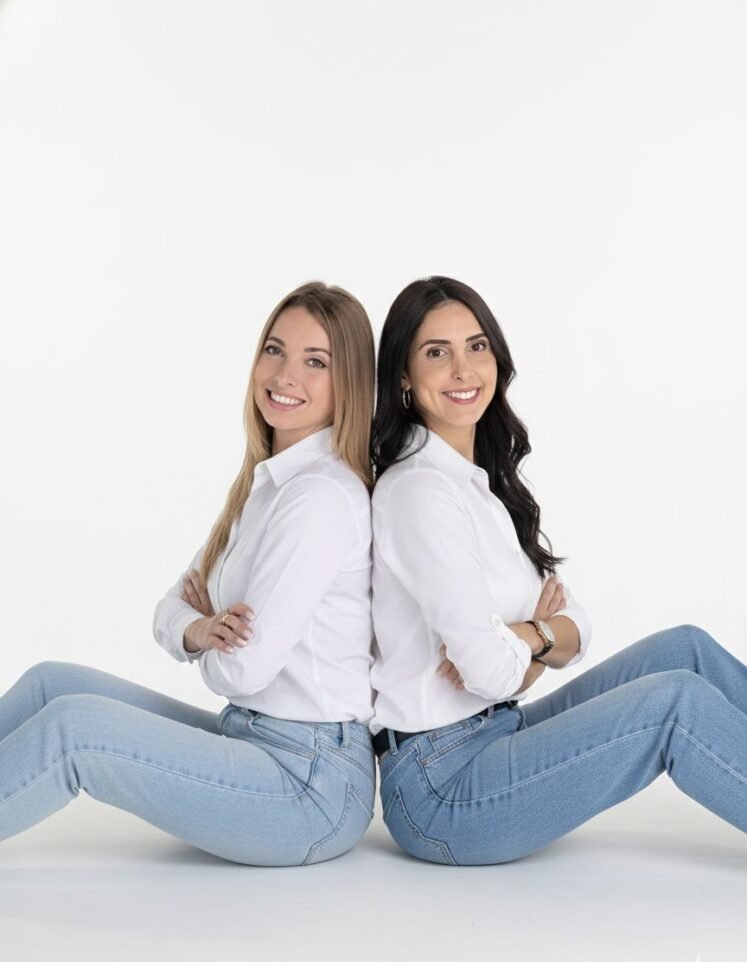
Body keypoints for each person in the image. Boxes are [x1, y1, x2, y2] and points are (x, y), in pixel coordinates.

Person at [370, 274, 747, 865]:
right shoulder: (419, 492)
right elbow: (492, 671)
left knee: (685, 650)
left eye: (476, 346)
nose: (464, 370)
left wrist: (524, 638)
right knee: (675, 703)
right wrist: (535, 641)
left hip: (497, 733)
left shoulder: (475, 486)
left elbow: (574, 624)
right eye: (437, 353)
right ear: (403, 377)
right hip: (442, 789)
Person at [1, 281, 377, 866]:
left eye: (315, 362)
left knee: (74, 728)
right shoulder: (267, 485)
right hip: (252, 738)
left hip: (311, 785)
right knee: (53, 683)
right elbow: (172, 606)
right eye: (274, 350)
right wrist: (199, 630)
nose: (285, 375)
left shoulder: (320, 498)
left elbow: (245, 669)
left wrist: (205, 644)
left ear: (349, 383)